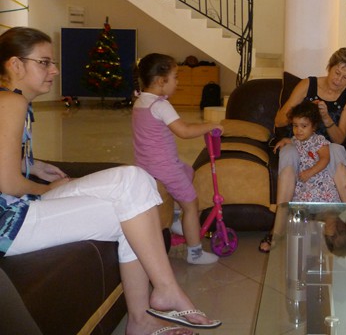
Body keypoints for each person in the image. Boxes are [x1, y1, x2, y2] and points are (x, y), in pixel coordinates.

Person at [0, 27, 220, 335]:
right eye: (45, 62)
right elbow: (8, 184)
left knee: (134, 210)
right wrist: (47, 188)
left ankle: (142, 319)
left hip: (16, 214)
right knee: (133, 179)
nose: (55, 70)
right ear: (15, 65)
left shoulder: (12, 101)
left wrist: (34, 166)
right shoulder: (11, 102)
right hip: (11, 222)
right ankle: (165, 291)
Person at [259, 47, 346, 253]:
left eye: (345, 77)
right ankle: (277, 229)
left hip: (326, 146)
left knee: (337, 149)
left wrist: (326, 117)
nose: (338, 80)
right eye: (337, 73)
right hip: (296, 142)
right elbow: (279, 120)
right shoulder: (308, 84)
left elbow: (340, 137)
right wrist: (303, 114)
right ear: (329, 67)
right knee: (288, 153)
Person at [132, 53, 223, 265]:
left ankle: (173, 217)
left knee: (188, 171)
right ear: (161, 81)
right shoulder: (161, 105)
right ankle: (195, 252)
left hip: (146, 165)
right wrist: (211, 125)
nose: (177, 82)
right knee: (191, 205)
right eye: (175, 77)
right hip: (165, 167)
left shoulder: (140, 102)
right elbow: (184, 131)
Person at [285, 100, 342, 203]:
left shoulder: (318, 140)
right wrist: (283, 141)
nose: (298, 130)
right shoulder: (296, 140)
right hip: (304, 183)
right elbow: (290, 141)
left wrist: (310, 172)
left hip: (319, 181)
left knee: (323, 208)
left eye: (304, 126)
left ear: (314, 127)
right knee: (302, 205)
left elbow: (325, 159)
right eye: (295, 125)